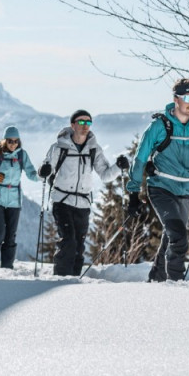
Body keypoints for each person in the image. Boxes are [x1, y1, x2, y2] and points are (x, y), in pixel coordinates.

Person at [125, 78, 189, 282]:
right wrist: (134, 193)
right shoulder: (159, 126)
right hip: (161, 188)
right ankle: (175, 285)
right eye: (187, 97)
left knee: (171, 237)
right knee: (178, 237)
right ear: (176, 99)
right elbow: (140, 158)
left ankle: (156, 279)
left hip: (186, 191)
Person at [39, 109, 129, 276]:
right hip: (62, 201)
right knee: (69, 242)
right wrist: (43, 171)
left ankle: (73, 281)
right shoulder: (59, 148)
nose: (85, 125)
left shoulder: (93, 149)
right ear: (72, 125)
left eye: (88, 122)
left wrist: (119, 167)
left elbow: (105, 175)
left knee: (79, 246)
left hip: (83, 203)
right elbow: (46, 170)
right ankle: (60, 279)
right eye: (81, 122)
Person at [0, 126, 39, 269]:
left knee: (11, 235)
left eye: (16, 141)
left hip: (14, 200)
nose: (13, 144)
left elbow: (32, 173)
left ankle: (7, 267)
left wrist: (42, 175)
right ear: (4, 141)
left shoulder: (21, 155)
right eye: (10, 141)